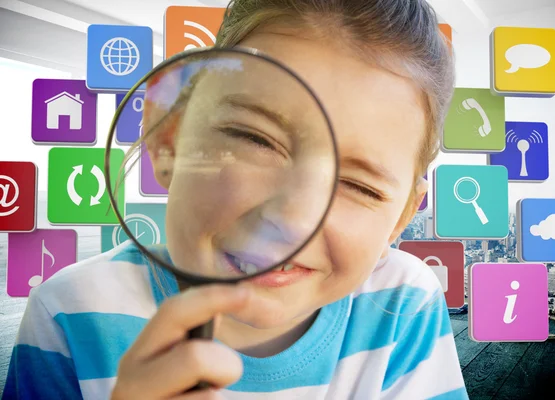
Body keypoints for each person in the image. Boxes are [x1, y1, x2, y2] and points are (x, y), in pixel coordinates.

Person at [2, 0, 468, 398]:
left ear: (401, 217)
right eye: (255, 140)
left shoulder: (406, 304)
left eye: (360, 186)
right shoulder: (69, 313)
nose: (292, 218)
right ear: (168, 140)